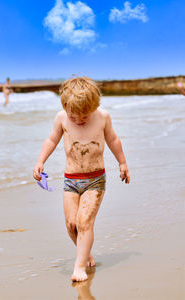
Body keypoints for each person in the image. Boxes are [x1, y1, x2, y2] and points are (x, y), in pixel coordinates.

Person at [33, 77, 130, 282]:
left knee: (84, 221)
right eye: (73, 116)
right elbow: (51, 139)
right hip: (71, 180)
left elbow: (113, 139)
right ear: (65, 107)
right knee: (71, 224)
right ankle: (85, 254)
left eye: (84, 116)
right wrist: (40, 161)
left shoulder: (102, 117)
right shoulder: (61, 118)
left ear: (94, 106)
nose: (78, 120)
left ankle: (79, 267)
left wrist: (122, 163)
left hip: (95, 179)